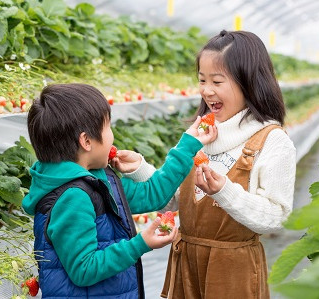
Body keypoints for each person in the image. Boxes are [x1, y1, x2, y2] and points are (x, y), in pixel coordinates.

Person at [130, 30, 297, 298]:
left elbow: (276, 217)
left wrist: (224, 191)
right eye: (202, 80)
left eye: (217, 81)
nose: (207, 91)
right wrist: (140, 168)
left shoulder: (272, 141)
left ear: (249, 83)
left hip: (233, 271)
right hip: (186, 266)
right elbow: (172, 200)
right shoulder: (199, 135)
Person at [22, 83, 217, 298]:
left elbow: (155, 194)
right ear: (86, 141)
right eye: (108, 127)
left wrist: (188, 145)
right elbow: (84, 269)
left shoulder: (99, 178)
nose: (112, 135)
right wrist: (140, 244)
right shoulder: (72, 197)